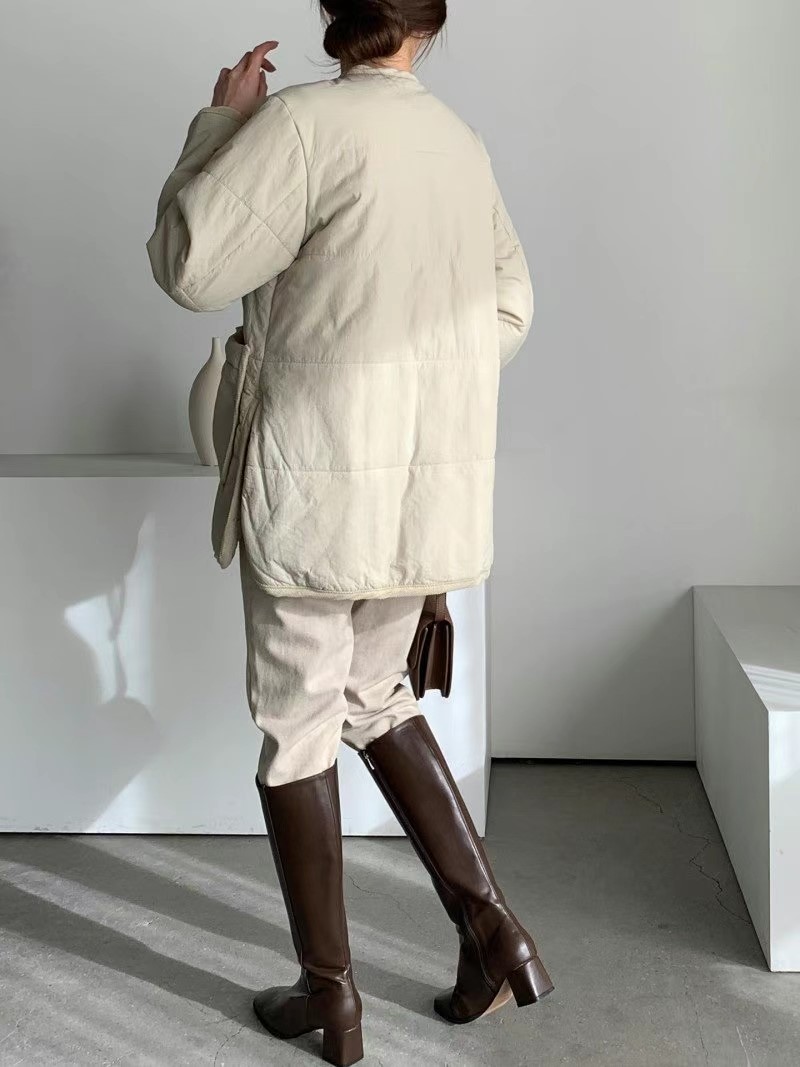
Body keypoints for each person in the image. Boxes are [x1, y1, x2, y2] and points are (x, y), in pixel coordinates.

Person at [146, 2, 551, 1063]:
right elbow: (510, 304)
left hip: (314, 481)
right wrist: (421, 378)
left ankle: (330, 998)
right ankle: (495, 935)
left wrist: (220, 125)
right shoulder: (457, 143)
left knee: (299, 720)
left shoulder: (301, 125)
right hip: (421, 488)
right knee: (374, 694)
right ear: (429, 25)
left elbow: (190, 266)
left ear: (333, 13)